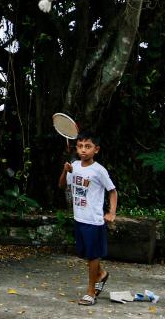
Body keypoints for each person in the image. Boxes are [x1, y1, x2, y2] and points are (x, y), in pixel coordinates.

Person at [58, 131, 118, 306]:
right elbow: (62, 185)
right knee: (87, 254)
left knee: (93, 256)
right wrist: (65, 171)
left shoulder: (99, 170)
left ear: (96, 150)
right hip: (79, 218)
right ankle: (101, 274)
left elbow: (112, 191)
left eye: (88, 146)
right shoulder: (74, 165)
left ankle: (91, 292)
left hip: (93, 221)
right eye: (80, 146)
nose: (83, 150)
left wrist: (112, 212)